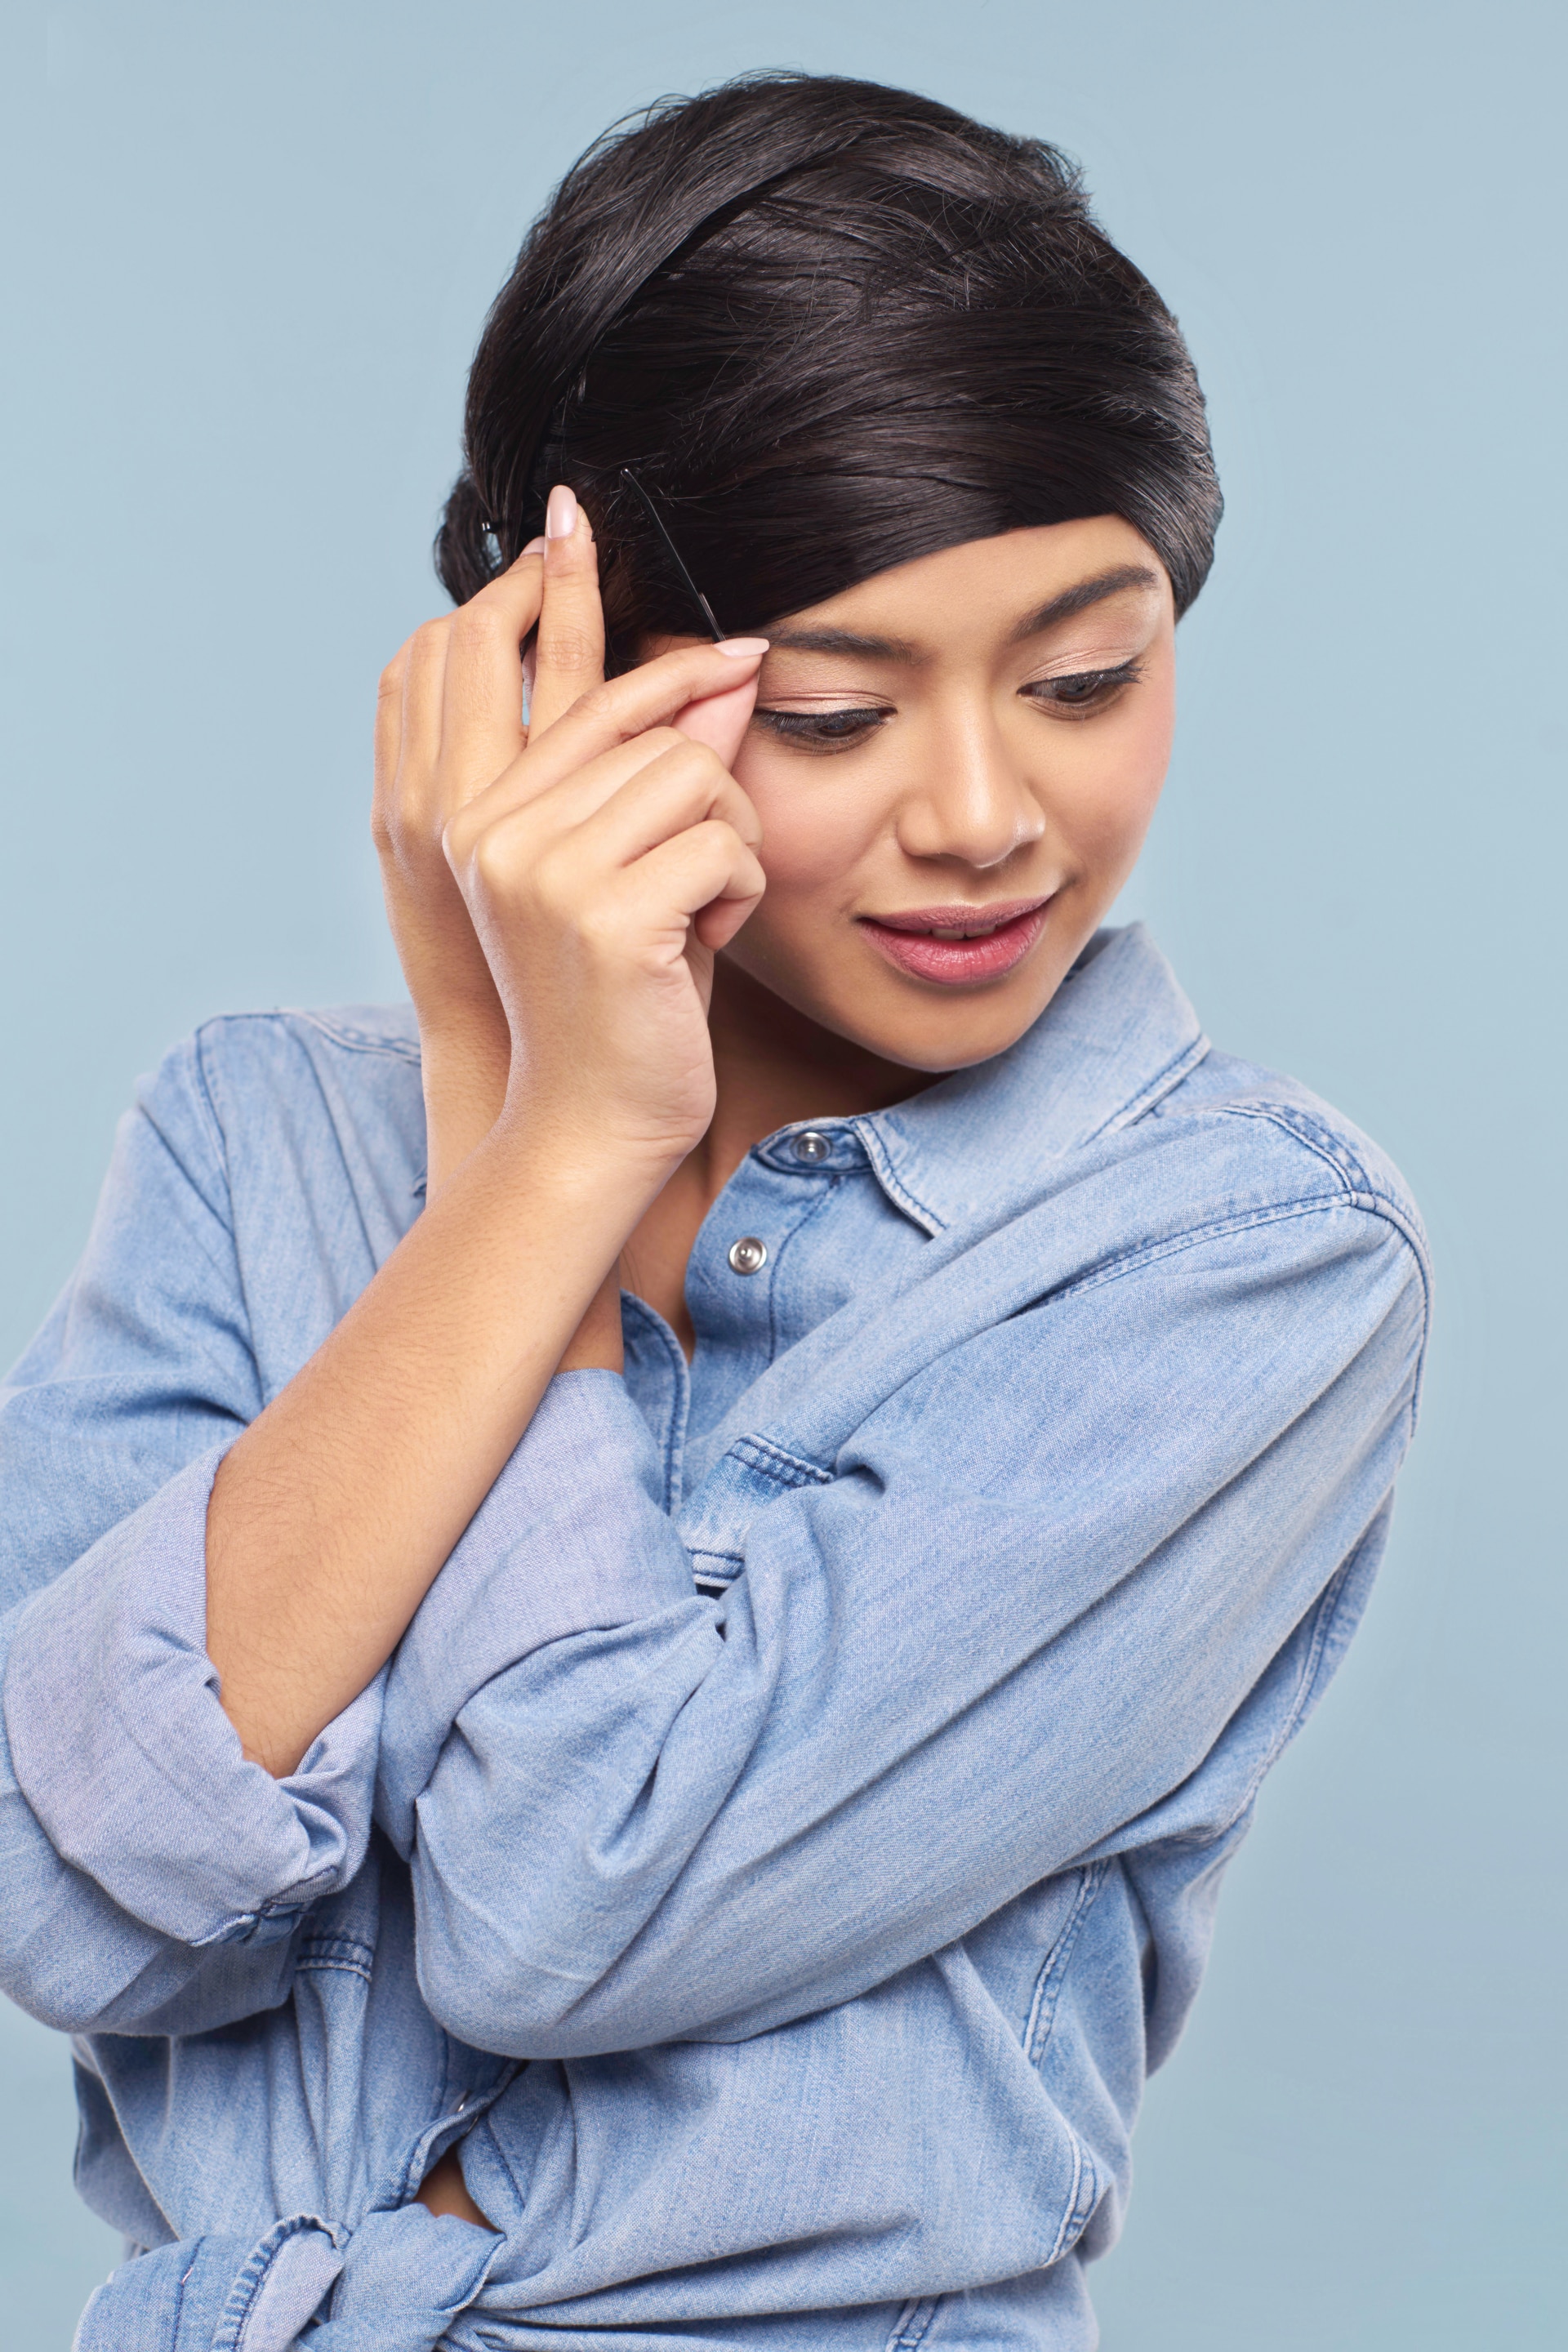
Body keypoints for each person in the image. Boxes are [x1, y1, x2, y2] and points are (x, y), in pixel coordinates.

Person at [0, 71, 1428, 2352]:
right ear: (563, 677)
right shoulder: (251, 1146)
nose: (986, 814)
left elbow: (577, 1901)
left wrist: (536, 1138)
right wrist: (531, 1116)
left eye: (1088, 676)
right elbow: (72, 1912)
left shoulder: (1240, 1266)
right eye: (840, 712)